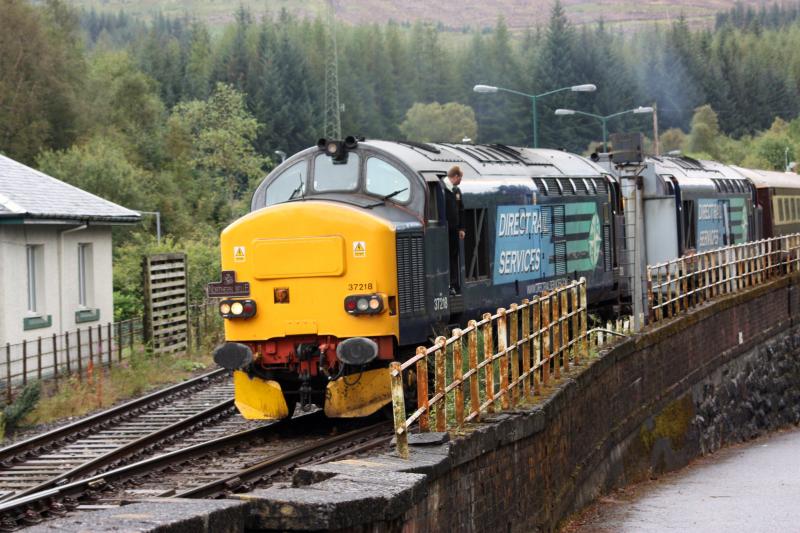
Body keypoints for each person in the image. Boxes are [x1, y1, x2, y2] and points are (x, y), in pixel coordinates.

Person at [444, 165, 465, 293]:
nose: (461, 181)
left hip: (455, 230)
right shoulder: (443, 189)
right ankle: (450, 283)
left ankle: (454, 284)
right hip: (446, 230)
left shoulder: (456, 191)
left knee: (454, 256)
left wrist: (462, 228)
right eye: (460, 178)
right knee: (449, 257)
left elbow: (461, 210)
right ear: (456, 176)